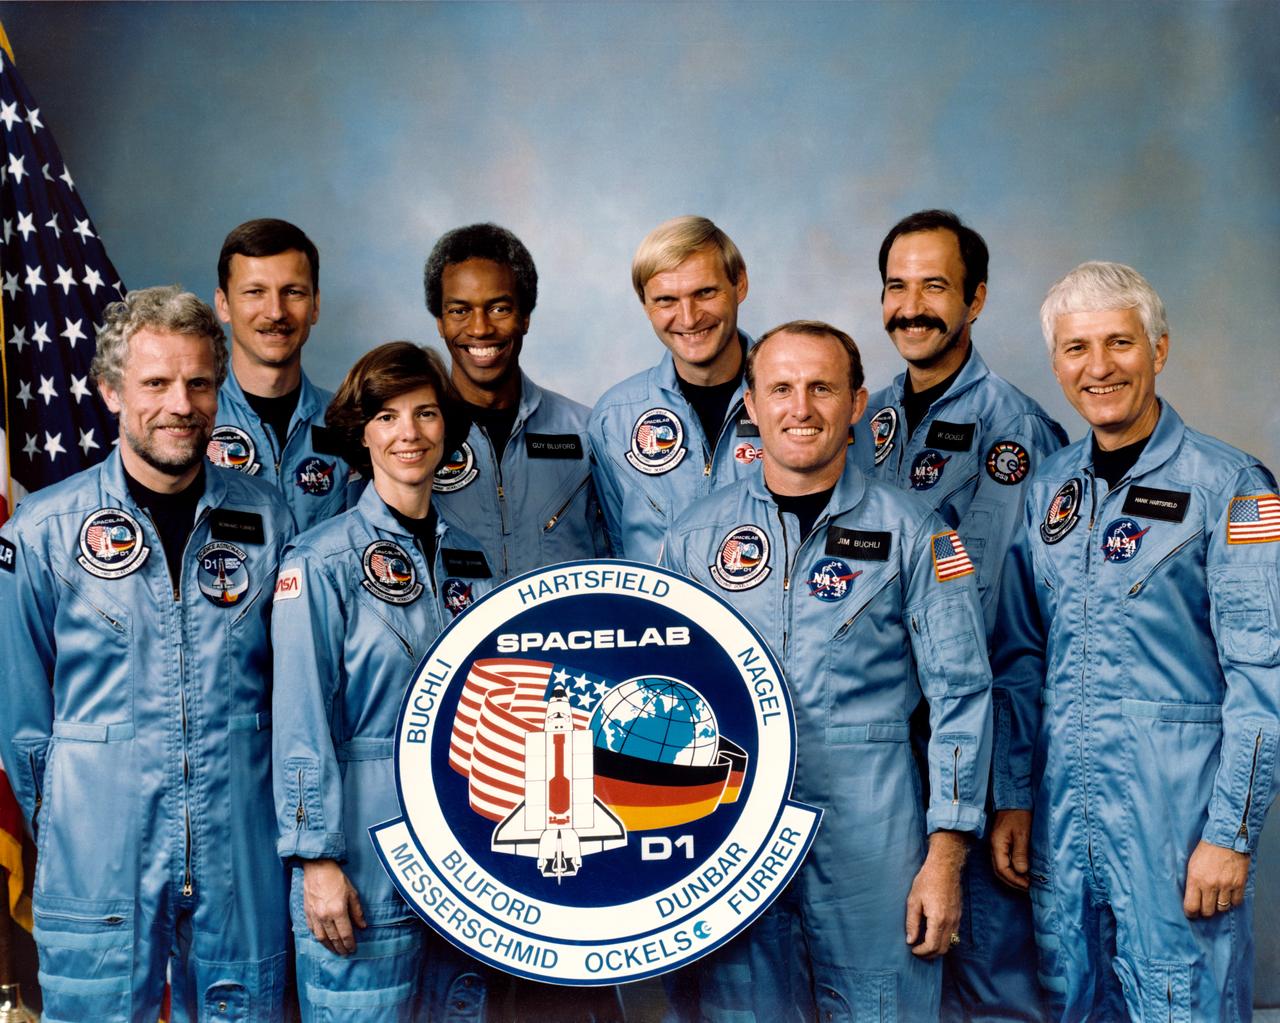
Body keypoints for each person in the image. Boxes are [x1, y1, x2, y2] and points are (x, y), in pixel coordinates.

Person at [661, 321, 993, 1021]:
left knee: (881, 1006)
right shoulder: (692, 539)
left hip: (873, 829)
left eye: (820, 387)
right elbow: (664, 695)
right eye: (780, 388)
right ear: (752, 403)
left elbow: (962, 693)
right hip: (730, 821)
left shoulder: (919, 532)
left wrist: (946, 855)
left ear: (857, 402)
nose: (800, 407)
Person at [989, 262, 1280, 1021]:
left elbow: (1264, 674)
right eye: (1077, 347)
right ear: (1056, 363)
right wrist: (1016, 796)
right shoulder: (1048, 489)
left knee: (1183, 1000)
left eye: (1119, 342)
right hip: (1064, 818)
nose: (1099, 366)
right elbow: (1022, 658)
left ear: (1159, 348)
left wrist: (1230, 833)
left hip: (1175, 825)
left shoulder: (1233, 487)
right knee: (1073, 998)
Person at [0, 286, 293, 1021]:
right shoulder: (44, 529)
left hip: (238, 851)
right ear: (109, 390)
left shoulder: (265, 518)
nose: (180, 404)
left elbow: (289, 696)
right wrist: (79, 817)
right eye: (155, 382)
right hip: (98, 850)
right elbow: (23, 723)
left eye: (198, 382)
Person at [863, 210, 1066, 1021]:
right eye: (897, 287)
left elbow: (1033, 634)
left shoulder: (1019, 434)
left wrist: (1012, 788)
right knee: (903, 979)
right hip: (886, 760)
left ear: (976, 299)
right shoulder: (865, 421)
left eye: (935, 287)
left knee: (993, 982)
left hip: (980, 763)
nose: (912, 307)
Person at [271, 342, 499, 1020]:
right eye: (388, 415)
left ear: (446, 429)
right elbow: (300, 718)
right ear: (361, 430)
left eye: (426, 414)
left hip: (462, 842)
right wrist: (316, 857)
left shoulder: (472, 559)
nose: (410, 433)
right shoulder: (319, 561)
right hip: (360, 847)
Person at [423, 223, 607, 581]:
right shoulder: (412, 439)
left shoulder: (587, 433)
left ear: (525, 317)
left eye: (499, 309)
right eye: (460, 311)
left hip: (560, 635)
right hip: (453, 636)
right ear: (440, 323)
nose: (480, 329)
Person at [588, 216, 763, 563]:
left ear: (739, 284)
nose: (688, 317)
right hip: (659, 617)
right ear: (645, 305)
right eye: (666, 300)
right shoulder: (615, 418)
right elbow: (615, 551)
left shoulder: (793, 402)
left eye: (705, 292)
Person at [212, 218, 355, 532]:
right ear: (223, 305)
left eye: (293, 292)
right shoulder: (191, 421)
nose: (276, 312)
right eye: (255, 292)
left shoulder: (349, 423)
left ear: (315, 305)